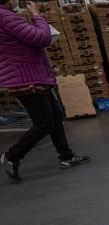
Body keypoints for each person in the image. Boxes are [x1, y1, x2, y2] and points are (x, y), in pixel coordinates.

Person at [0, 0, 90, 181]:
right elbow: (42, 38)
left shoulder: (7, 16)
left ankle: (66, 157)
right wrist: (36, 15)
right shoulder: (5, 16)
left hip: (33, 75)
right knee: (44, 124)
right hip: (26, 78)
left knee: (56, 118)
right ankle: (11, 156)